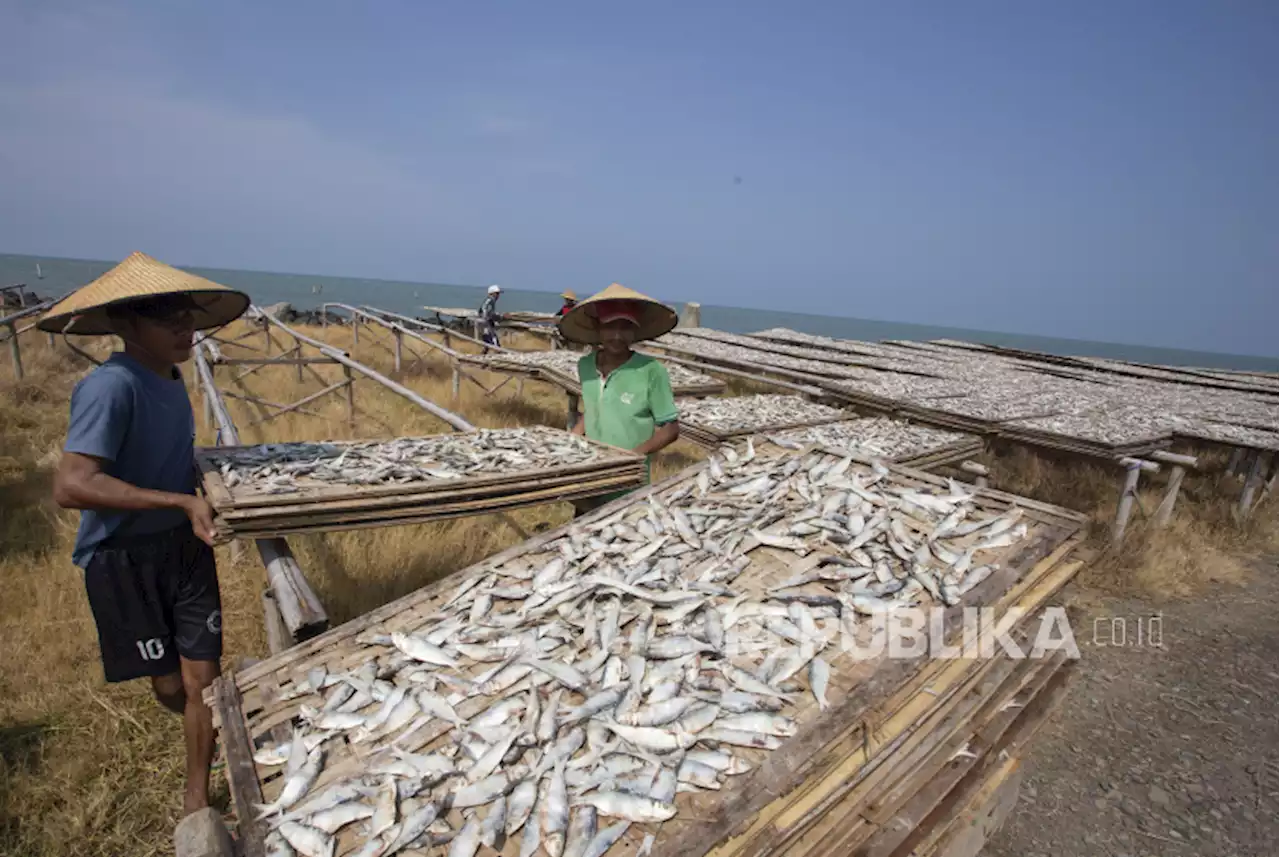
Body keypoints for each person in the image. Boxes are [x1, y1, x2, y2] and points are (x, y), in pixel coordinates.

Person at [38, 251, 250, 816]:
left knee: (201, 679)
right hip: (123, 556)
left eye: (187, 317)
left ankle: (197, 799)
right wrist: (178, 499)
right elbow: (73, 486)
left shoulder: (173, 376)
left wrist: (212, 487)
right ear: (127, 325)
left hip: (183, 550)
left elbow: (171, 456)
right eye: (167, 320)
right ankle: (201, 727)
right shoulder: (111, 387)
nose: (186, 331)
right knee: (167, 687)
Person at [558, 283, 681, 514]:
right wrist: (570, 439)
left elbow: (670, 429)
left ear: (635, 331)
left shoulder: (652, 370)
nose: (617, 335)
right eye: (609, 326)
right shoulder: (585, 365)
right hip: (589, 478)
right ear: (598, 328)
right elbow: (596, 408)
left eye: (625, 327)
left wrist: (629, 457)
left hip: (628, 485)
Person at [478, 283, 502, 351]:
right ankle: (498, 354)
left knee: (487, 342)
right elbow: (483, 309)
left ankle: (484, 355)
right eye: (497, 293)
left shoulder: (491, 301)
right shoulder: (490, 300)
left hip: (486, 323)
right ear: (492, 293)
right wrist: (487, 318)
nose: (498, 296)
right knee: (493, 340)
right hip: (486, 323)